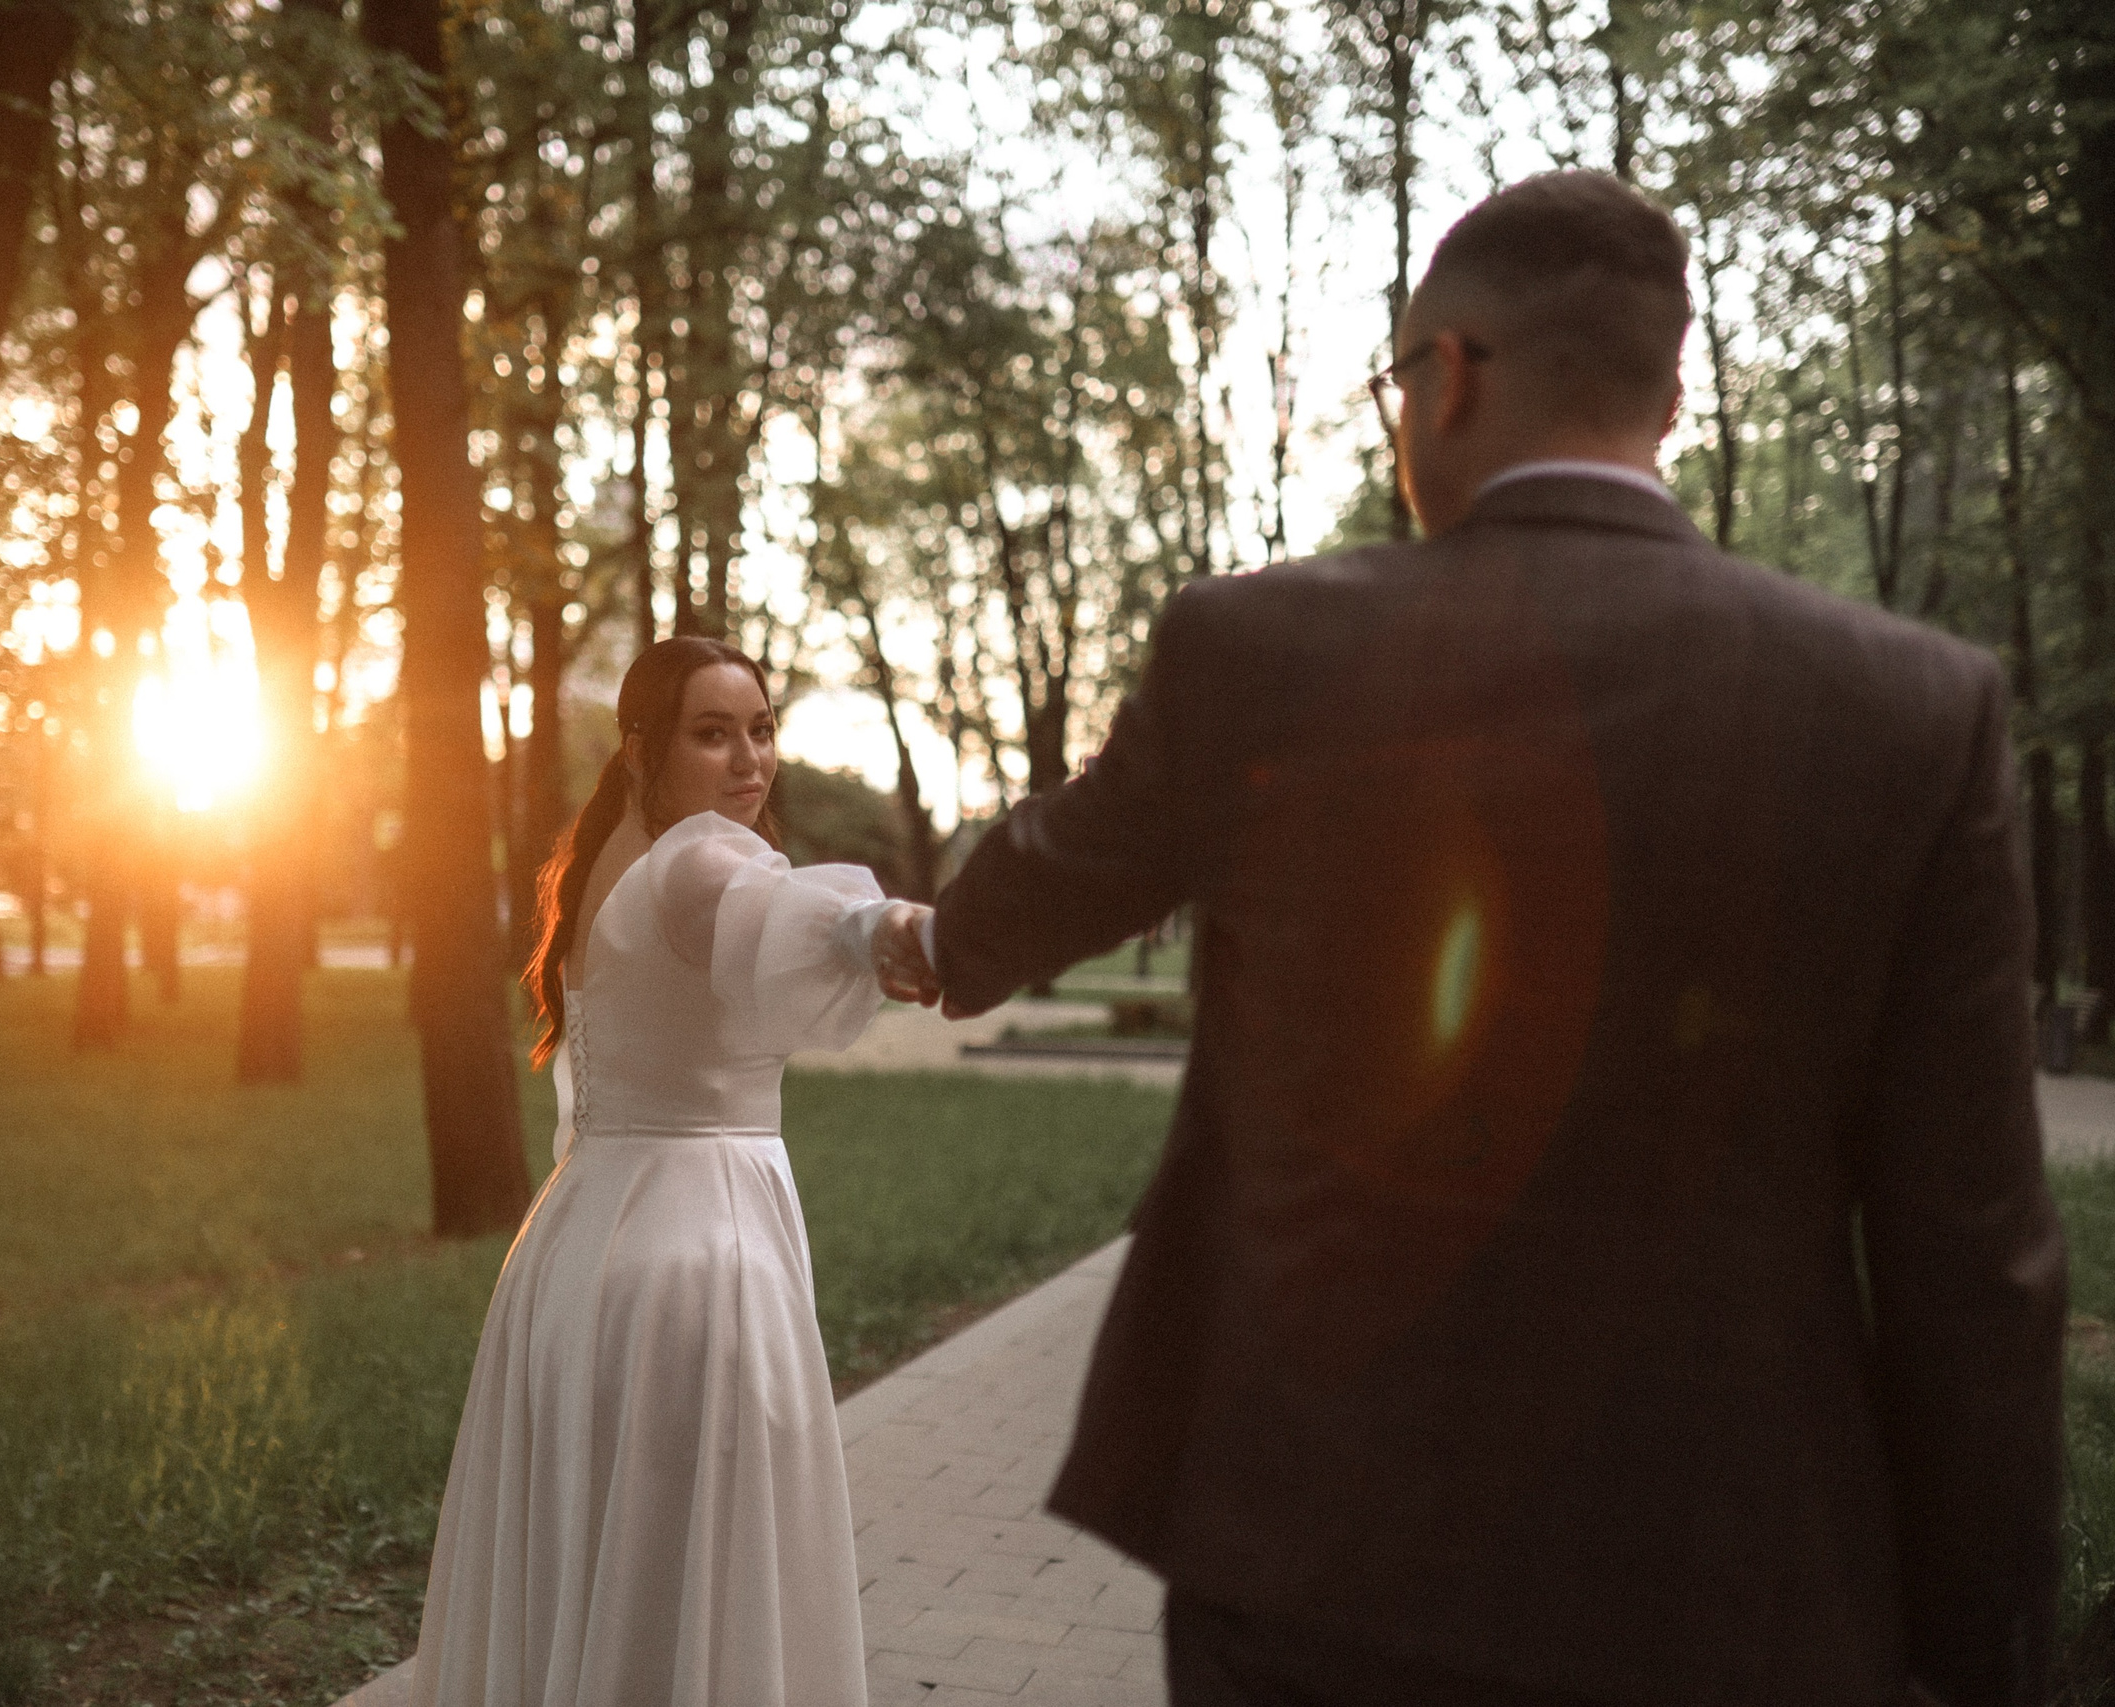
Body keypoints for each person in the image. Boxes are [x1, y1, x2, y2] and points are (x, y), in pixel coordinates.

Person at [914, 172, 2066, 1706]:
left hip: (1316, 1569)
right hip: (1739, 1592)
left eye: (1397, 379)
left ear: (1450, 374)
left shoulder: (1257, 651)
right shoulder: (1913, 709)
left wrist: (909, 932)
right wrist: (1980, 1654)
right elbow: (1976, 1263)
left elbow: (1016, 905)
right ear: (1662, 397)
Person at [400, 636, 935, 1707]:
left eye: (761, 729)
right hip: (698, 1265)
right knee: (695, 1571)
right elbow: (811, 921)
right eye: (712, 732)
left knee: (603, 1564)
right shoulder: (699, 859)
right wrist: (896, 928)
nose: (749, 760)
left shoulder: (608, 858)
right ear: (641, 747)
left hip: (575, 1256)